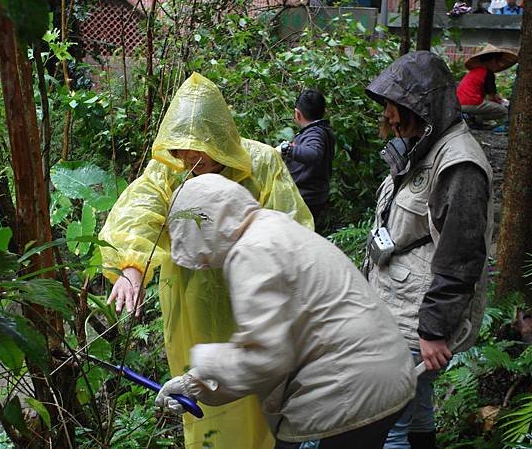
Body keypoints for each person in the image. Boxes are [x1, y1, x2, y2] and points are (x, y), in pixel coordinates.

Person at [98, 72, 313, 449]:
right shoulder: (168, 169)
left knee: (256, 389)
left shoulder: (261, 162)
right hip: (189, 301)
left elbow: (291, 231)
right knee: (199, 389)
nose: (190, 158)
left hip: (251, 299)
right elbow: (139, 209)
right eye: (182, 149)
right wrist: (132, 265)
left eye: (199, 149)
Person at [156, 173, 417, 449]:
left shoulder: (251, 252)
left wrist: (195, 378)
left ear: (200, 226)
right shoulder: (273, 227)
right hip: (386, 376)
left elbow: (265, 356)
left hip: (345, 395)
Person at [363, 51, 493, 448]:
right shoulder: (421, 147)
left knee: (388, 424)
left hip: (417, 316)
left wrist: (434, 331)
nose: (389, 117)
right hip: (398, 304)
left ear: (421, 107)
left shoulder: (459, 165)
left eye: (396, 107)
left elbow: (462, 255)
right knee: (416, 409)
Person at [279, 89, 335, 233]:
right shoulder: (320, 130)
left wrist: (287, 149)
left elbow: (314, 153)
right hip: (313, 196)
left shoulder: (315, 133)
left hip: (307, 198)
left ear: (298, 113)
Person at [456, 44, 518, 128]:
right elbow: (492, 97)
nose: (499, 65)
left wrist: (499, 99)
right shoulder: (488, 73)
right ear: (492, 61)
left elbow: (489, 93)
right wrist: (503, 103)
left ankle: (470, 117)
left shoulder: (475, 71)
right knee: (503, 111)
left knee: (490, 105)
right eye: (498, 62)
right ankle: (474, 118)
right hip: (471, 103)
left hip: (458, 103)